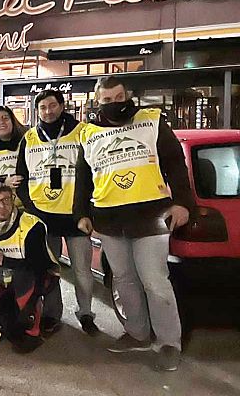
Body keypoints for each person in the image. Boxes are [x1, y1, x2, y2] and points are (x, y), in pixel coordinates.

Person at [75, 76, 193, 371]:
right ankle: (137, 333)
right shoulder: (87, 133)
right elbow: (83, 179)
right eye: (107, 100)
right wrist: (81, 214)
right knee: (124, 280)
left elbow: (176, 164)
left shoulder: (152, 121)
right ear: (97, 101)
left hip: (150, 217)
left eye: (118, 98)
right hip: (110, 219)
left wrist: (183, 203)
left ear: (126, 96)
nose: (114, 104)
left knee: (155, 280)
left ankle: (168, 342)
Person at [15, 89, 98, 336]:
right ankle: (53, 314)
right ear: (37, 111)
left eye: (52, 105)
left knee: (82, 272)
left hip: (75, 215)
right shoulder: (29, 137)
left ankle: (86, 314)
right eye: (42, 107)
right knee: (50, 270)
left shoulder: (82, 131)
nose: (48, 111)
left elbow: (95, 171)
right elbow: (20, 177)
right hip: (43, 216)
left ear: (62, 106)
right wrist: (31, 207)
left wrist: (87, 209)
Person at [0, 183, 59, 353]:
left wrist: (4, 261)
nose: (1, 206)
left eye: (6, 200)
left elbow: (39, 266)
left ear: (13, 199)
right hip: (2, 277)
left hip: (35, 277)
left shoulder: (31, 225)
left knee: (23, 340)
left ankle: (34, 326)